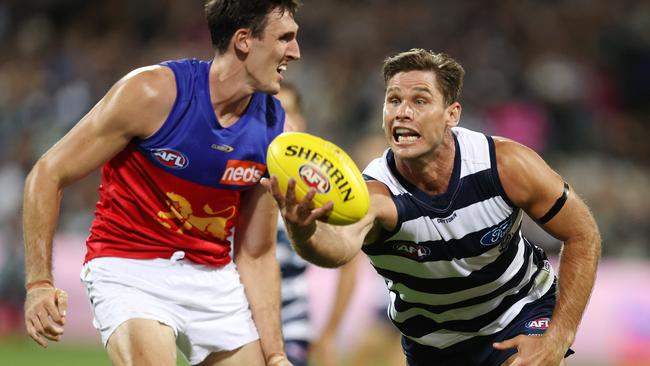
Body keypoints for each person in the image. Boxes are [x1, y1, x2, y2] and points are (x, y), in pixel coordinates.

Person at [262, 48, 601, 366]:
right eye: (393, 100)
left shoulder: (506, 165)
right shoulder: (376, 194)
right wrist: (302, 227)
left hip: (518, 312)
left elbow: (582, 233)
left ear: (452, 114)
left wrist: (559, 335)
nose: (402, 112)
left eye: (419, 100)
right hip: (433, 342)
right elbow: (335, 251)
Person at [22, 1, 302, 365]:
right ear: (244, 40)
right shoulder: (153, 93)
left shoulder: (276, 134)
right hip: (130, 267)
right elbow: (47, 173)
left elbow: (255, 252)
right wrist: (39, 284)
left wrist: (276, 354)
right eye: (285, 38)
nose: (295, 52)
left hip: (213, 280)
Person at [275, 82, 359, 366]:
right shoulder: (235, 174)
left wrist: (330, 332)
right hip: (231, 320)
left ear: (302, 122)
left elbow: (349, 257)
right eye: (272, 112)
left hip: (290, 326)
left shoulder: (312, 188)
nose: (282, 121)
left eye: (289, 112)